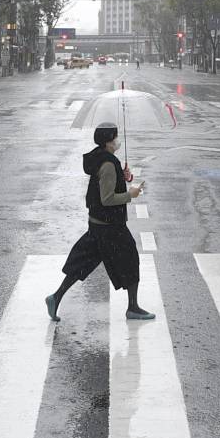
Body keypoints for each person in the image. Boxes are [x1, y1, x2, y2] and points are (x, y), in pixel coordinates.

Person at [47, 124, 153, 322]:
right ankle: (133, 307)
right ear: (108, 141)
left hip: (98, 224)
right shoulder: (108, 164)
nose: (117, 141)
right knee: (130, 260)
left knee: (82, 263)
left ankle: (55, 297)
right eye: (115, 137)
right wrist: (130, 194)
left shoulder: (100, 157)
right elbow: (107, 199)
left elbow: (104, 185)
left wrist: (123, 177)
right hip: (110, 227)